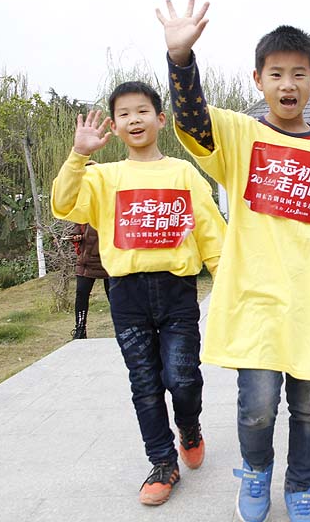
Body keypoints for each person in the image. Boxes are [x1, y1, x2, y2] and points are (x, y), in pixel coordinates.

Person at [157, 0, 310, 522]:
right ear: (259, 79)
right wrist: (180, 60)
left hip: (309, 302)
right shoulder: (242, 136)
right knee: (258, 405)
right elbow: (193, 122)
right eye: (277, 73)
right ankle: (256, 474)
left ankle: (302, 488)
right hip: (255, 299)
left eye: (299, 74)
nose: (288, 84)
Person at [51, 81, 226, 506]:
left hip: (177, 292)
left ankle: (189, 427)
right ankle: (163, 463)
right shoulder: (103, 177)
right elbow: (62, 203)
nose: (134, 119)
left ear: (160, 119)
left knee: (182, 378)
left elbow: (211, 233)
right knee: (145, 384)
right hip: (126, 295)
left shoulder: (183, 173)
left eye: (142, 111)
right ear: (115, 124)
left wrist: (226, 284)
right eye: (125, 113)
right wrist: (79, 155)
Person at [70, 162, 109, 340]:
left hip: (109, 259)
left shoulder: (110, 199)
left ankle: (124, 328)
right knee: (81, 295)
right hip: (86, 259)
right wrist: (75, 236)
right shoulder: (81, 202)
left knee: (116, 298)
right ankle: (80, 329)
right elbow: (76, 227)